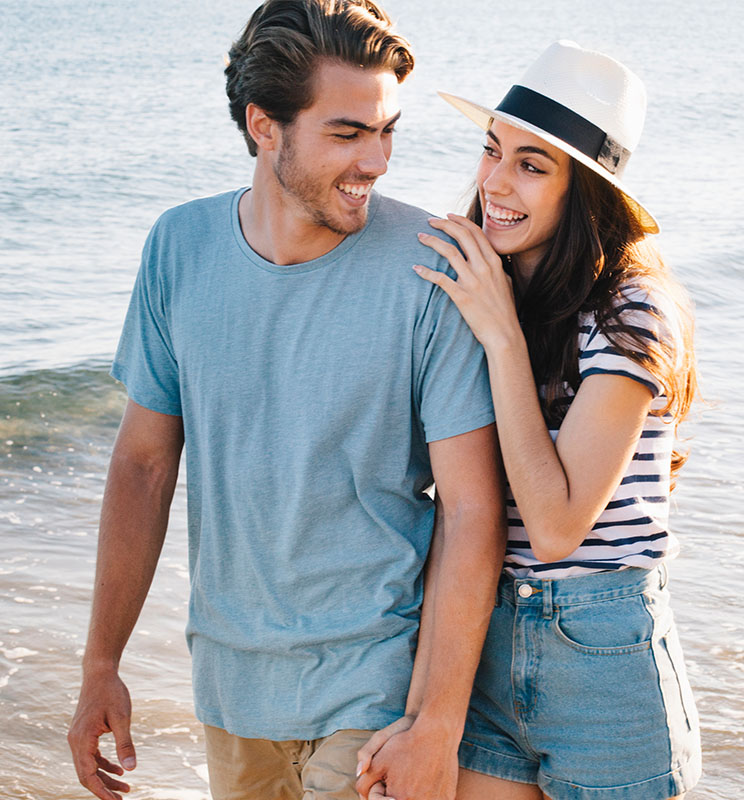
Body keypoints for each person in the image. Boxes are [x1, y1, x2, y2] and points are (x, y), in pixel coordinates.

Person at [66, 2, 508, 799]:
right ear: (263, 126)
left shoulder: (431, 268)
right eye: (347, 133)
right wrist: (102, 665)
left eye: (388, 131)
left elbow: (473, 508)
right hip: (232, 689)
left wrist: (437, 722)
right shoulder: (179, 248)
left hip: (376, 686)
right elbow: (140, 466)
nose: (377, 161)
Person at [357, 40, 702, 800]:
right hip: (490, 644)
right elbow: (455, 499)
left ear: (584, 194)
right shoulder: (497, 290)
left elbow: (555, 524)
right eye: (492, 151)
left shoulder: (633, 313)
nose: (494, 183)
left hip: (603, 657)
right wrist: (423, 714)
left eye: (531, 165)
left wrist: (500, 336)